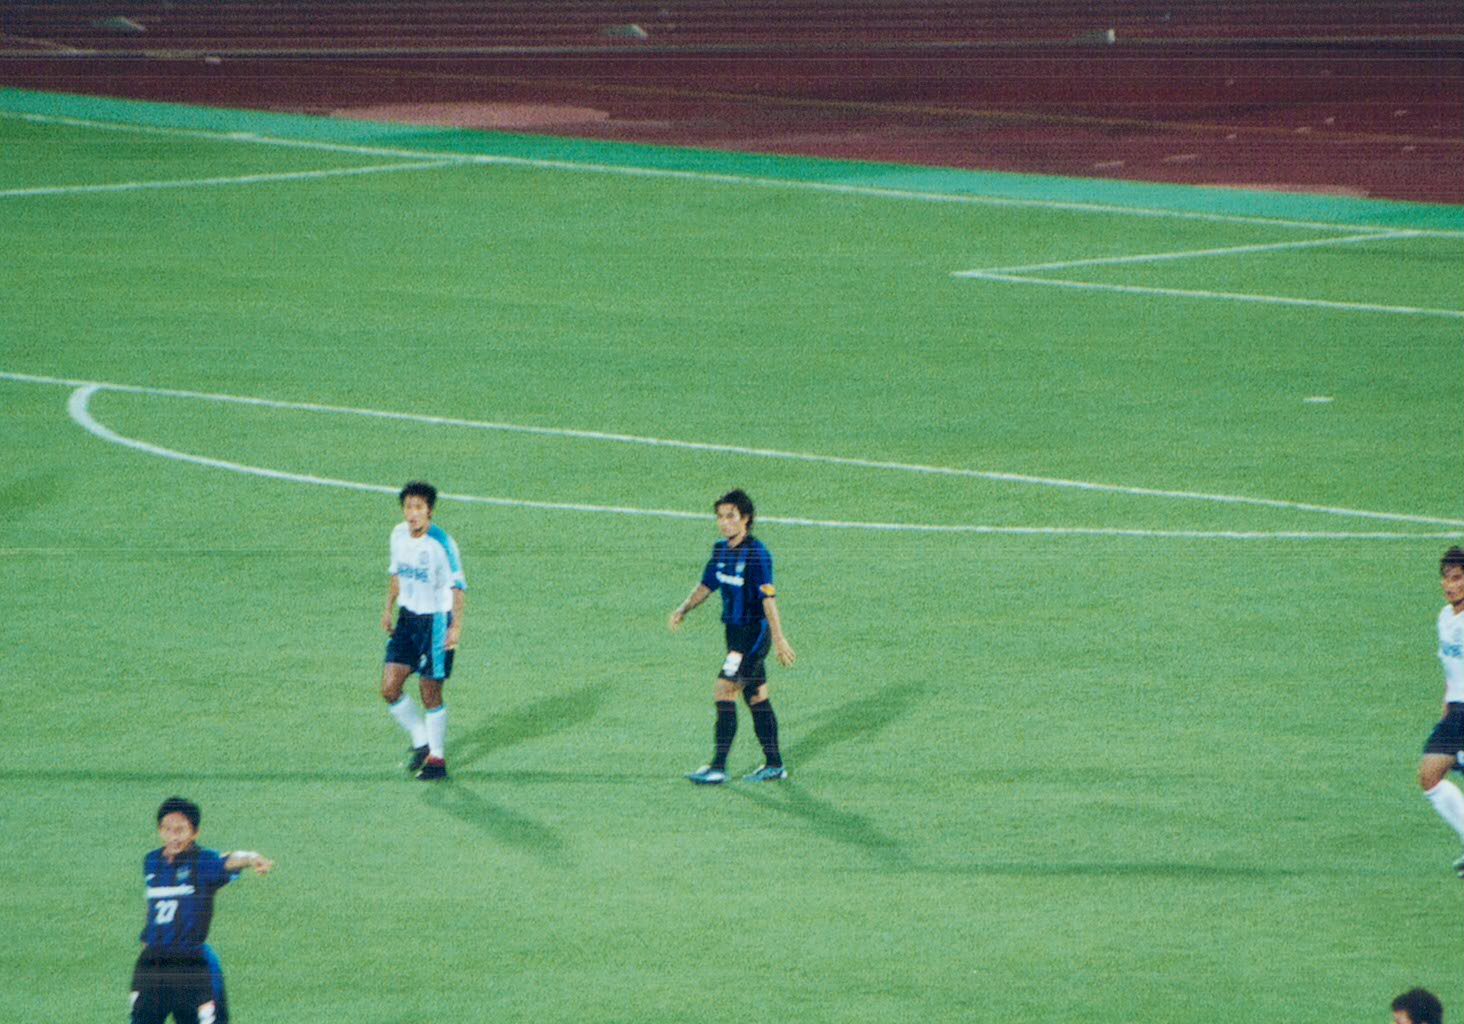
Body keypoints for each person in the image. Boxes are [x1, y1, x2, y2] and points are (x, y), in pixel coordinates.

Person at [669, 488, 795, 784]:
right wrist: (684, 608)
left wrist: (779, 639)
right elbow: (706, 585)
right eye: (720, 517)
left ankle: (718, 766)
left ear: (745, 519)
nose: (724, 523)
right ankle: (775, 764)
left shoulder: (757, 554)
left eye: (730, 516)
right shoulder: (720, 551)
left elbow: (768, 599)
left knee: (724, 690)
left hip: (753, 636)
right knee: (756, 696)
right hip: (734, 635)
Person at [130, 796, 273, 1024]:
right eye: (167, 829)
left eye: (181, 830)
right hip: (153, 963)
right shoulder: (151, 861)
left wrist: (251, 858)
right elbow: (154, 906)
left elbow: (229, 860)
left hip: (190, 963)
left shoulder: (203, 862)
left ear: (194, 832)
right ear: (160, 830)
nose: (174, 836)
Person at [381, 480, 466, 781]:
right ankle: (421, 741)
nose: (412, 513)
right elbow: (396, 574)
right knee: (389, 688)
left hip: (436, 622)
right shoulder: (398, 535)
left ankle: (437, 760)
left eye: (419, 507)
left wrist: (455, 627)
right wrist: (388, 607)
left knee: (429, 691)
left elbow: (458, 587)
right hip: (407, 620)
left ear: (430, 511)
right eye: (408, 507)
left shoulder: (442, 544)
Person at [1417, 546, 1464, 877]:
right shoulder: (1445, 619)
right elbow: (1451, 669)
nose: (1451, 585)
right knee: (1429, 777)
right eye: (1446, 579)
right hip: (1456, 713)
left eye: (1458, 578)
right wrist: (1446, 705)